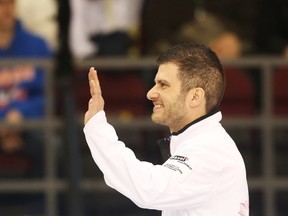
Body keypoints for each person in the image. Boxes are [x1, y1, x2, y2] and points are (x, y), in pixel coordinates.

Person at [83, 43, 249, 216]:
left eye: (163, 85)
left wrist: (97, 129)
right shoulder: (202, 142)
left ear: (195, 97)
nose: (150, 93)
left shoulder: (210, 151)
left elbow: (149, 189)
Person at [0, 0, 52, 178]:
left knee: (55, 146)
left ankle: (43, 205)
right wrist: (4, 121)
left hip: (30, 125)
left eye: (10, 4)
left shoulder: (37, 46)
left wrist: (19, 115)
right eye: (1, 4)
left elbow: (48, 96)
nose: (7, 10)